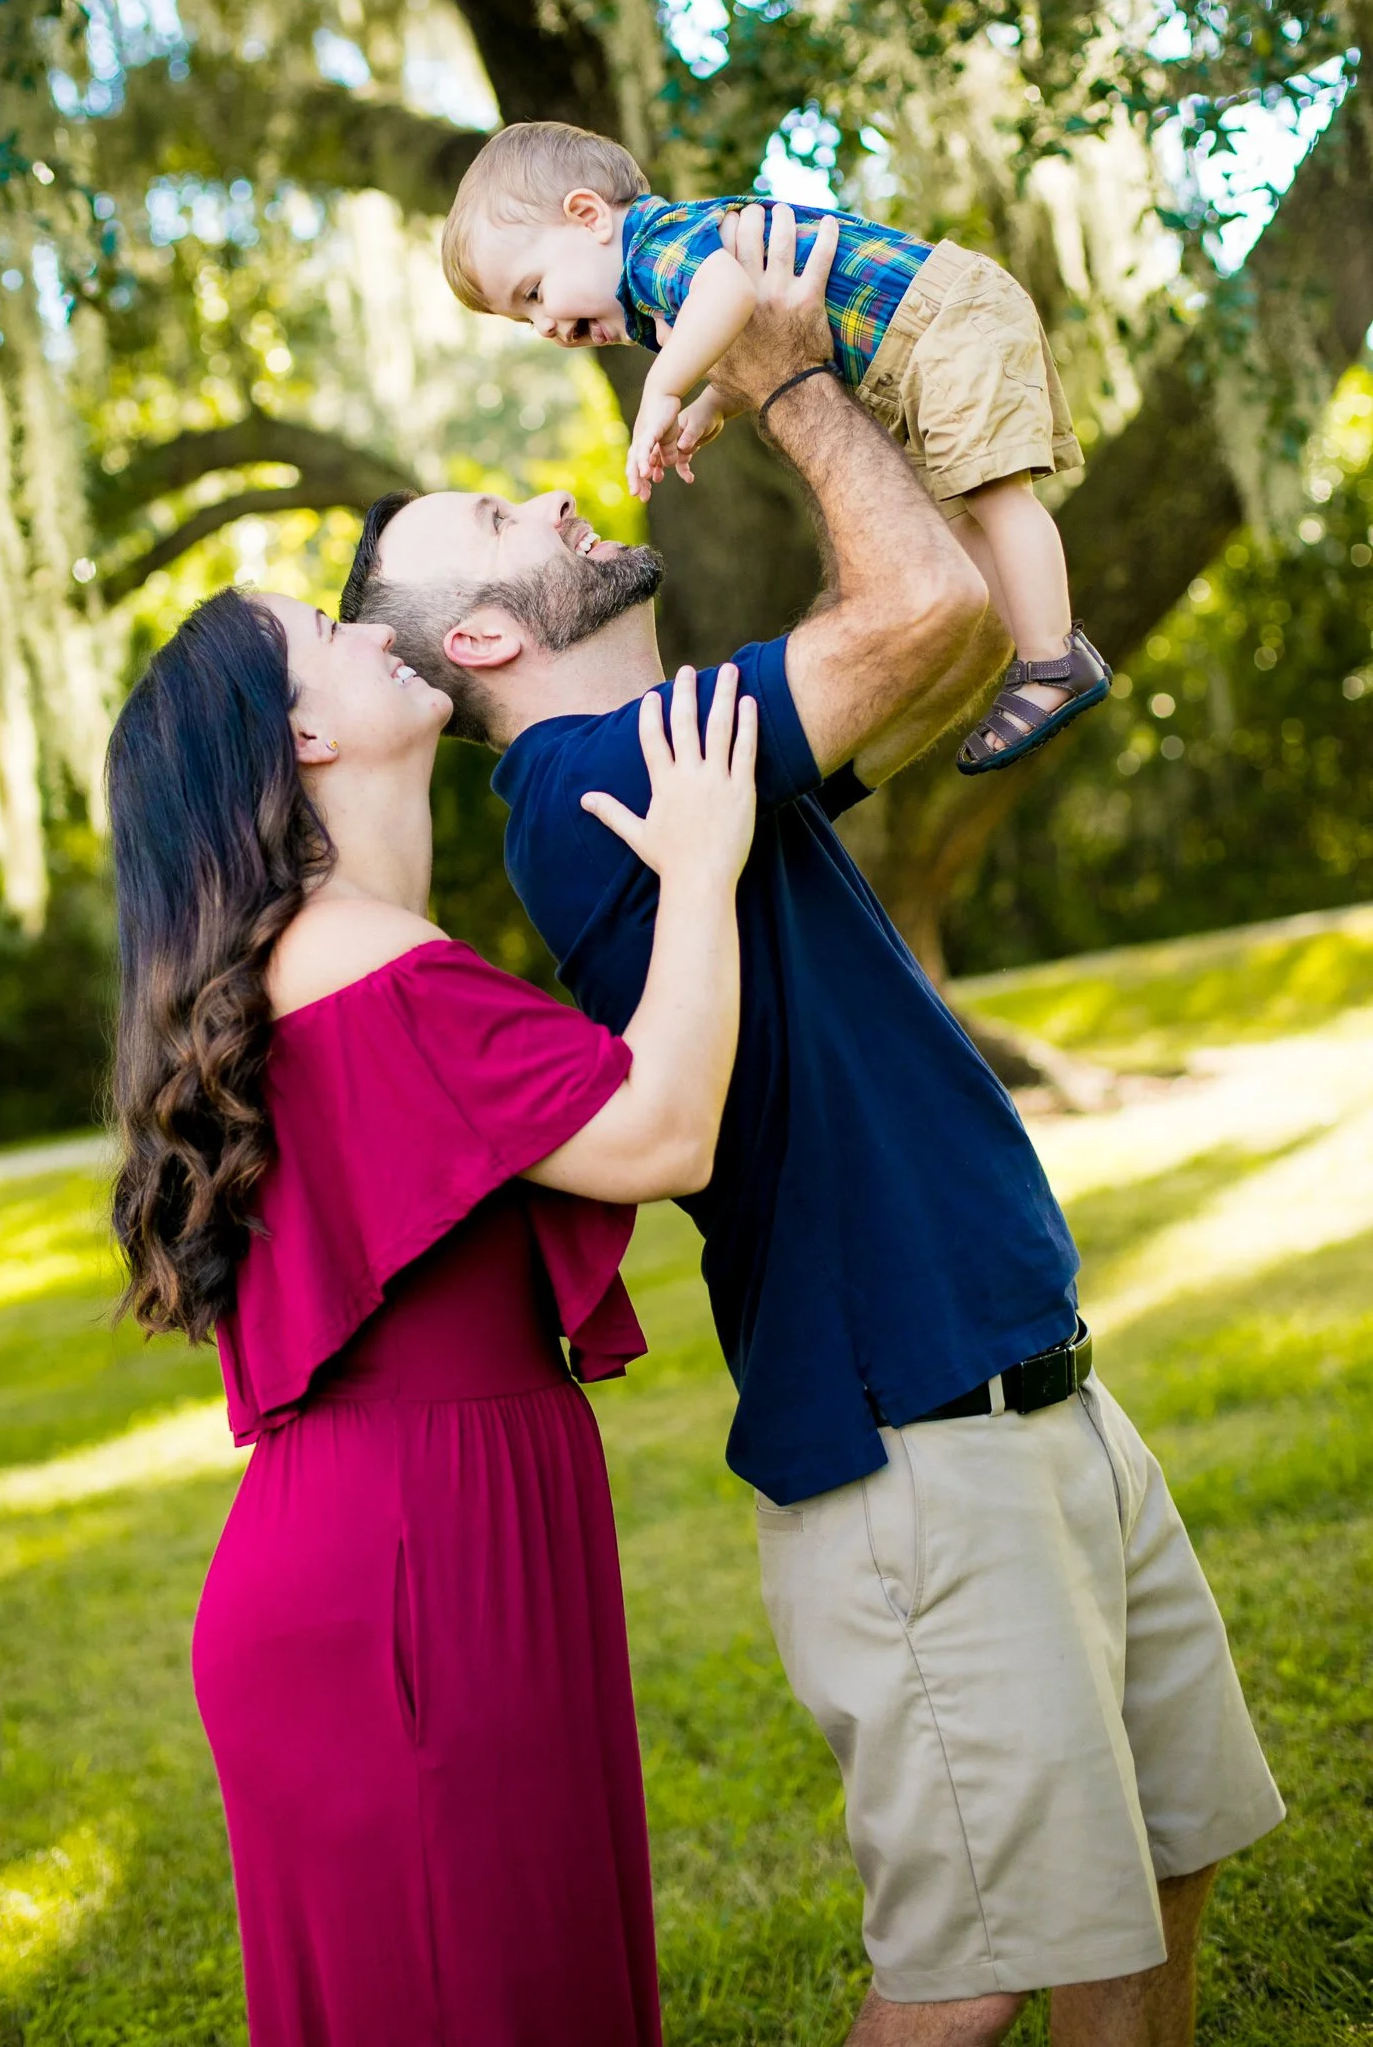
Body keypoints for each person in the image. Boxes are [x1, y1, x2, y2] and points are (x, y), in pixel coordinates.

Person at [341, 203, 1285, 2046]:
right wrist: (784, 376)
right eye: (496, 522)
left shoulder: (699, 738)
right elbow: (926, 610)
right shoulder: (595, 780)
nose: (551, 499)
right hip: (912, 1438)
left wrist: (826, 390)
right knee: (975, 1973)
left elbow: (935, 654)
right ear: (477, 632)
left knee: (1164, 1858)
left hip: (1029, 1379)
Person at [105, 585, 759, 2047]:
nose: (362, 627)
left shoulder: (346, 952)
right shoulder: (352, 959)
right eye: (317, 636)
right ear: (305, 736)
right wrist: (704, 868)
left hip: (415, 1535)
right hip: (409, 1568)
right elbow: (659, 1136)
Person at [441, 117, 1111, 775]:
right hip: (925, 344)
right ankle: (1008, 656)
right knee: (965, 521)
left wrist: (664, 391)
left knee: (997, 496)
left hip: (940, 324)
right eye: (523, 317)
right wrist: (710, 403)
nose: (545, 325)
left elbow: (730, 293)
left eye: (534, 291)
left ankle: (1052, 660)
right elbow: (746, 325)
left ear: (588, 216)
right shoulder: (663, 289)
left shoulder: (652, 248)